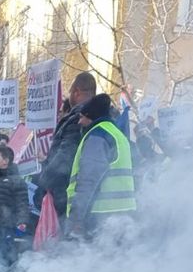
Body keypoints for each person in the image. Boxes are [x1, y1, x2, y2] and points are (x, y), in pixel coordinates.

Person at [66, 93, 137, 238]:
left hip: (99, 216)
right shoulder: (116, 133)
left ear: (90, 116)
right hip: (122, 215)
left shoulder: (97, 136)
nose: (79, 121)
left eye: (81, 117)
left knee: (93, 253)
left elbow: (88, 180)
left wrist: (76, 218)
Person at [37, 72, 97, 221]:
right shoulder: (100, 117)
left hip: (68, 195)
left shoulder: (78, 119)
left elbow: (65, 158)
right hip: (88, 197)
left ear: (76, 92)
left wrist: (43, 182)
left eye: (70, 92)